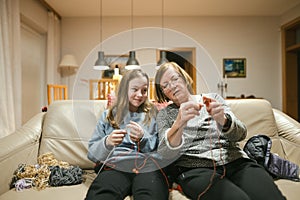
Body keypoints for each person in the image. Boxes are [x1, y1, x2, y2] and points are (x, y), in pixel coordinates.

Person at [154, 62, 286, 200]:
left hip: (235, 162)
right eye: (165, 85)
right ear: (163, 93)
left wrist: (223, 119)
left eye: (175, 79)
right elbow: (166, 153)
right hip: (195, 171)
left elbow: (241, 134)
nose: (172, 86)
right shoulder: (165, 115)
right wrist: (179, 124)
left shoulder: (213, 99)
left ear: (184, 78)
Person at [85, 69, 169, 200]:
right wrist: (107, 142)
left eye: (144, 90)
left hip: (147, 167)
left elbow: (162, 150)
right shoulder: (108, 116)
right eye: (134, 89)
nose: (140, 95)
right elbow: (91, 154)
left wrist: (143, 140)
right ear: (124, 90)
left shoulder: (153, 114)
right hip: (116, 167)